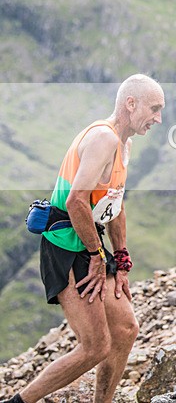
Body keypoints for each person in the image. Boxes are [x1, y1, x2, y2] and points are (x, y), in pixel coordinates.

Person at [3, 75, 165, 403]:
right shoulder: (103, 139)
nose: (158, 119)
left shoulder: (124, 145)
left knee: (125, 330)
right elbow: (77, 200)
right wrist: (95, 255)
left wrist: (120, 259)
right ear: (130, 104)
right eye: (154, 109)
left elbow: (115, 206)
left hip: (89, 244)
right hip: (65, 245)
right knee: (95, 346)